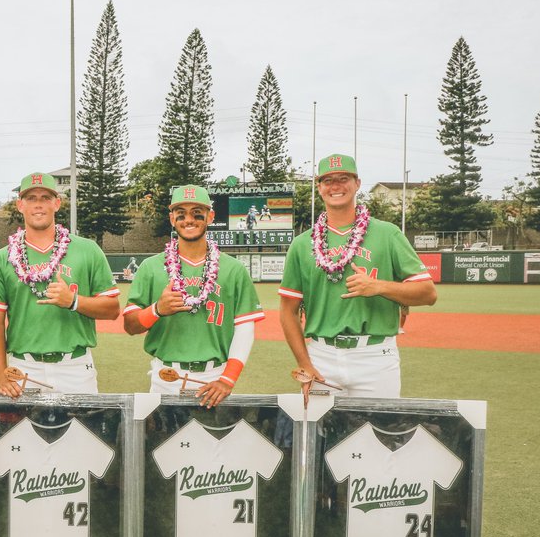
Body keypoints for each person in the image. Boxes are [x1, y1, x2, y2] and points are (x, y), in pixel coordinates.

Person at [278, 153, 436, 398]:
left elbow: (428, 293)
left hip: (375, 356)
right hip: (321, 356)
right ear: (319, 187)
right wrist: (304, 363)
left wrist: (378, 287)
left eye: (343, 178)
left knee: (379, 423)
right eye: (328, 180)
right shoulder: (301, 244)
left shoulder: (388, 234)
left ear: (357, 183)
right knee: (318, 425)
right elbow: (288, 311)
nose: (336, 186)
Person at [0, 172, 120, 396]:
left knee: (81, 421)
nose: (38, 205)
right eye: (31, 198)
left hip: (75, 367)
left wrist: (73, 301)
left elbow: (112, 309)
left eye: (45, 198)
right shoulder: (1, 259)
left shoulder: (88, 250)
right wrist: (0, 374)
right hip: (23, 367)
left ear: (57, 203)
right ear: (20, 205)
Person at [124, 185, 265, 407]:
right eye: (181, 214)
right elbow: (130, 326)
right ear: (172, 219)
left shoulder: (234, 269)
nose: (189, 219)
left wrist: (227, 379)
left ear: (210, 216)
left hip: (214, 377)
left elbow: (245, 329)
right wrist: (156, 310)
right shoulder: (150, 267)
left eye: (197, 213)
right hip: (166, 376)